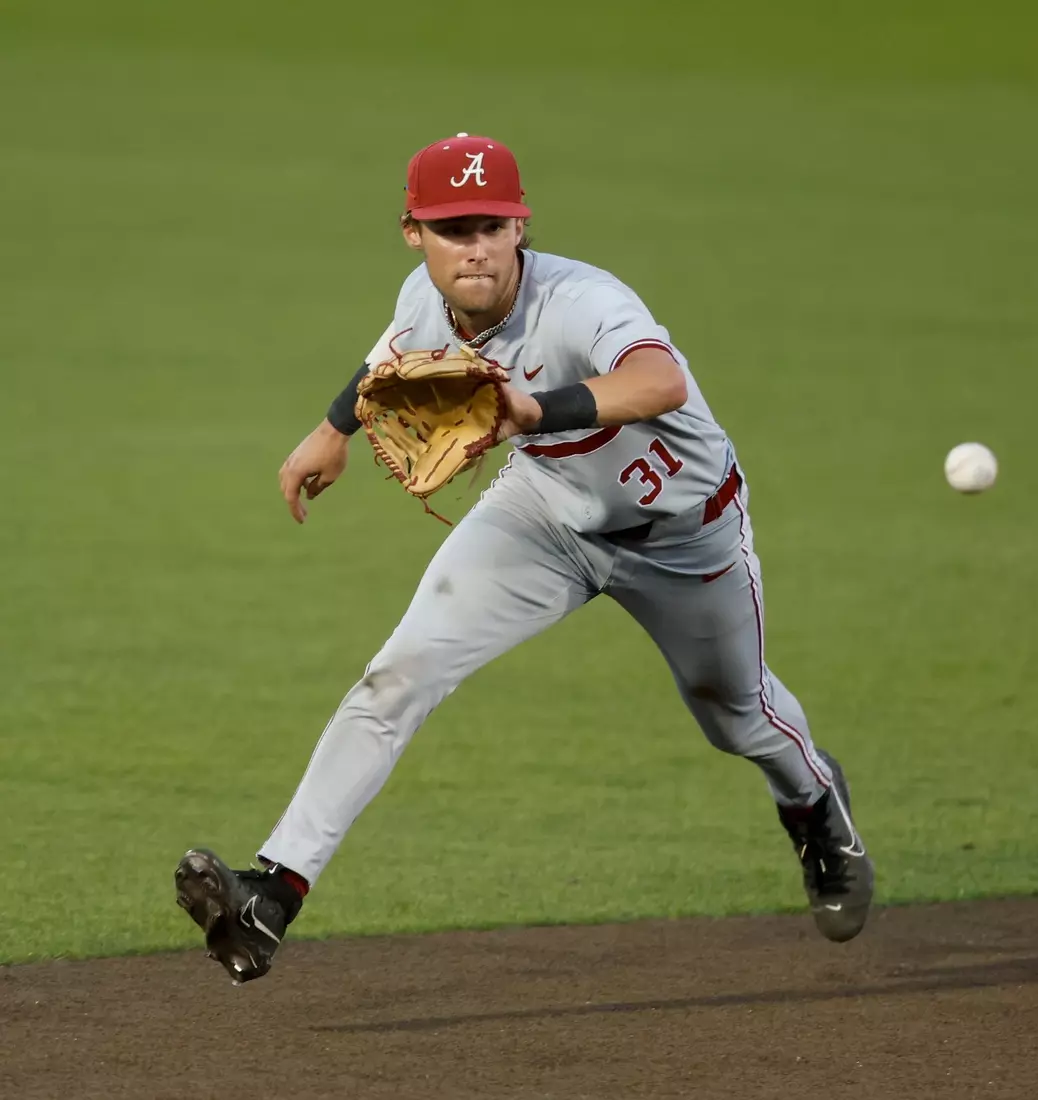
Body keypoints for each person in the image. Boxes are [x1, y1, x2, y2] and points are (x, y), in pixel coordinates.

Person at [173, 132, 873, 984]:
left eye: (490, 226)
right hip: (542, 516)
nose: (473, 247)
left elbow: (659, 382)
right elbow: (390, 352)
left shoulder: (581, 300)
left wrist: (536, 410)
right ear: (413, 234)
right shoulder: (424, 300)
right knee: (399, 674)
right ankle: (272, 894)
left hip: (684, 537)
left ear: (520, 227)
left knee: (736, 714)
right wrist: (330, 433)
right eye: (452, 227)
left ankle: (813, 802)